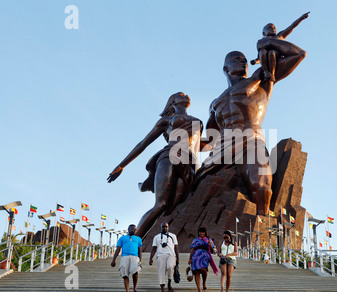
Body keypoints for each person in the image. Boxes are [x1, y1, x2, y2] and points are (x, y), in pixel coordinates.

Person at [197, 16, 308, 218]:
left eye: (243, 59)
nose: (242, 61)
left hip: (251, 140)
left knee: (261, 182)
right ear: (225, 68)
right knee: (196, 189)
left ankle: (261, 230)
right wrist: (182, 142)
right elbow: (209, 140)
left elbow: (298, 54)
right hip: (222, 149)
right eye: (235, 58)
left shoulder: (260, 78)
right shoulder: (215, 102)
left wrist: (268, 42)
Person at [107, 92, 203, 239]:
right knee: (161, 204)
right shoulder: (167, 120)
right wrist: (121, 166)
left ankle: (163, 239)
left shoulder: (197, 121)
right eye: (181, 94)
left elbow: (199, 144)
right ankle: (132, 242)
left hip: (190, 162)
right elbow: (143, 143)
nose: (186, 95)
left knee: (177, 204)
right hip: (170, 156)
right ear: (172, 102)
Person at [250, 12, 310, 82]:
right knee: (263, 51)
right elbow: (260, 57)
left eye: (274, 28)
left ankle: (271, 74)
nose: (273, 29)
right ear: (264, 33)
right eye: (270, 28)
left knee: (272, 52)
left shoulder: (279, 36)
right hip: (267, 62)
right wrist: (255, 61)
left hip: (277, 57)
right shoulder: (261, 42)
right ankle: (266, 72)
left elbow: (291, 26)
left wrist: (301, 18)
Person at [111, 224, 142, 292]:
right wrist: (113, 260)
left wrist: (140, 261)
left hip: (135, 257)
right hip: (125, 257)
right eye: (132, 229)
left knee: (135, 272)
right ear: (128, 229)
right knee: (124, 274)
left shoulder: (138, 239)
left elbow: (140, 251)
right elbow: (118, 249)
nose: (133, 230)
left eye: (134, 229)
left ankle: (134, 289)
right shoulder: (122, 238)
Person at [149, 222, 179, 292]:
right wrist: (151, 258)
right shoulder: (156, 237)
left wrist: (178, 258)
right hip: (160, 255)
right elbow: (154, 248)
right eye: (163, 227)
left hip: (171, 254)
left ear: (168, 227)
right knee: (161, 271)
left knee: (170, 266)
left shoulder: (173, 236)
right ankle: (162, 289)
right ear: (161, 227)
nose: (164, 228)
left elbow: (176, 247)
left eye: (166, 226)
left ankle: (169, 283)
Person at [188, 227, 218, 292]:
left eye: (203, 232)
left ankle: (204, 282)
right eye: (200, 232)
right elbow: (192, 249)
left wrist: (210, 245)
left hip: (205, 256)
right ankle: (199, 289)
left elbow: (212, 250)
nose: (201, 233)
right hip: (196, 256)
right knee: (196, 272)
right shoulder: (195, 240)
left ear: (205, 233)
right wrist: (190, 259)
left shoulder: (208, 240)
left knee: (204, 270)